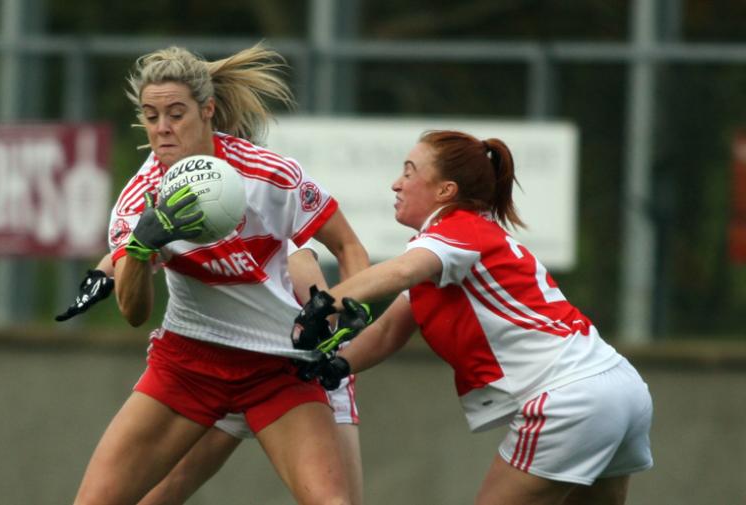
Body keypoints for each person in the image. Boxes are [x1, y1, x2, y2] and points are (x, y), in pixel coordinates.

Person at [73, 44, 369, 505]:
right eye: (151, 116)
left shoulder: (269, 176)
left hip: (277, 364)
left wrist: (347, 320)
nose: (162, 129)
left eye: (175, 113)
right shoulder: (140, 202)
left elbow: (347, 247)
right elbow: (134, 314)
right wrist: (140, 244)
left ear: (207, 110)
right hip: (190, 364)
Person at [296, 130, 653, 505]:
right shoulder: (454, 249)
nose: (396, 184)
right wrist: (336, 365)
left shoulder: (456, 230)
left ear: (446, 191)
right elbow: (388, 330)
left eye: (410, 171)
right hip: (620, 388)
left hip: (572, 397)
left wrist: (324, 303)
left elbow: (399, 272)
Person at [59, 246, 364, 505]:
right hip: (226, 365)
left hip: (296, 370)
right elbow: (135, 240)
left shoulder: (267, 201)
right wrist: (103, 272)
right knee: (163, 488)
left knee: (334, 499)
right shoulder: (198, 197)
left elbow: (309, 275)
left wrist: (326, 330)